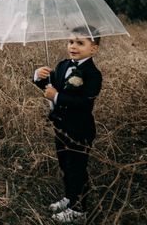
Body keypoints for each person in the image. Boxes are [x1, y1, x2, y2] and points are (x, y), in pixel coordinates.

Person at [33, 26, 103, 223]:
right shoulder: (63, 65)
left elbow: (84, 103)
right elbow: (50, 86)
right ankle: (69, 197)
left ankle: (79, 210)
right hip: (61, 127)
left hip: (80, 129)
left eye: (80, 43)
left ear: (94, 48)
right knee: (65, 164)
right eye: (71, 41)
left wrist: (57, 97)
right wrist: (39, 76)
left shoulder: (93, 74)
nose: (73, 46)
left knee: (77, 168)